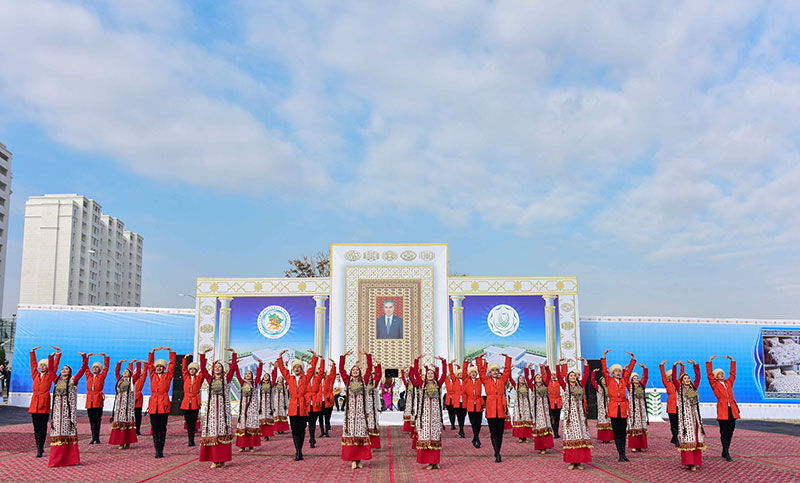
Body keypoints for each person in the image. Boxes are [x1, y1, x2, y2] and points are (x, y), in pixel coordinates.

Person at [277, 348, 318, 461]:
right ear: (293, 369)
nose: (297, 369)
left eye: (299, 367)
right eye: (295, 367)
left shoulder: (305, 378)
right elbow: (282, 369)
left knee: (302, 430)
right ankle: (298, 452)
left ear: (301, 369)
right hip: (293, 408)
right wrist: (280, 357)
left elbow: (312, 369)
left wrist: (314, 356)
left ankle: (300, 450)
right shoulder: (289, 378)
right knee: (294, 431)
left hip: (303, 408)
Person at [49, 352, 88, 467]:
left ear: (70, 372)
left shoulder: (73, 380)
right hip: (57, 413)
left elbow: (83, 368)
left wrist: (84, 357)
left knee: (68, 434)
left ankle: (70, 460)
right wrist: (51, 357)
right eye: (62, 369)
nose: (64, 370)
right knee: (57, 434)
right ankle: (56, 460)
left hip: (68, 413)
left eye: (66, 369)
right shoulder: (56, 380)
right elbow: (51, 370)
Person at [199, 348, 236, 468]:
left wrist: (233, 353)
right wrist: (203, 354)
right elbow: (203, 369)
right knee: (213, 433)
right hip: (212, 412)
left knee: (223, 433)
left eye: (220, 367)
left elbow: (233, 367)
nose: (217, 368)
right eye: (216, 366)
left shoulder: (227, 378)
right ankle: (214, 460)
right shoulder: (210, 379)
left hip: (223, 412)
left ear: (223, 370)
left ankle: (222, 459)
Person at [410, 355, 447, 470]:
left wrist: (443, 362)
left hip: (435, 416)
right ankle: (429, 462)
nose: (430, 375)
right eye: (428, 374)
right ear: (425, 376)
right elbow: (415, 374)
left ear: (434, 375)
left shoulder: (438, 384)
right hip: (425, 416)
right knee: (426, 438)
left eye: (432, 373)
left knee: (435, 438)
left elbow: (444, 375)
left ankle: (435, 462)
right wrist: (416, 360)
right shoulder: (422, 385)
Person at [339, 350, 373, 469]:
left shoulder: (364, 382)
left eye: (357, 370)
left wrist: (368, 356)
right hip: (350, 415)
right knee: (351, 436)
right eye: (353, 370)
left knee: (360, 436)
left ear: (359, 372)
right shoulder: (347, 381)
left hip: (361, 414)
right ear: (351, 372)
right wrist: (343, 357)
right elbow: (341, 370)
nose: (355, 371)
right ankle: (353, 460)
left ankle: (359, 460)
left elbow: (369, 369)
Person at [556, 358, 592, 470]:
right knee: (571, 437)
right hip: (570, 417)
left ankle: (580, 461)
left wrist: (585, 363)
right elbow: (558, 376)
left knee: (581, 436)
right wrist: (559, 363)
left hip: (580, 415)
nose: (573, 377)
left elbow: (586, 375)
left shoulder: (581, 385)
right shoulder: (565, 386)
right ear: (568, 378)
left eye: (574, 375)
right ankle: (572, 461)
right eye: (571, 376)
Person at [601, 349, 636, 462]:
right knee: (617, 432)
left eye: (619, 371)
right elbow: (604, 370)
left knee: (623, 432)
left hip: (623, 408)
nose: (618, 372)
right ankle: (620, 454)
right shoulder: (609, 380)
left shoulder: (623, 380)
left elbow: (629, 371)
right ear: (612, 373)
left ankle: (624, 453)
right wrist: (604, 357)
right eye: (615, 371)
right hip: (614, 408)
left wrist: (632, 359)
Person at [479, 353, 512, 463]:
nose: (494, 372)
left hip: (501, 409)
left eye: (496, 370)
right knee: (493, 432)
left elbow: (507, 371)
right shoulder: (486, 380)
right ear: (490, 372)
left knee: (500, 432)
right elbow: (481, 371)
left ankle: (498, 450)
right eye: (492, 370)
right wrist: (479, 359)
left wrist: (507, 359)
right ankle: (497, 453)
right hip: (491, 408)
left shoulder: (502, 380)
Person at [673, 361, 705, 471]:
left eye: (688, 378)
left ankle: (695, 462)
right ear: (681, 381)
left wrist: (695, 365)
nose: (687, 380)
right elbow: (673, 378)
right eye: (685, 378)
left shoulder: (693, 387)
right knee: (688, 438)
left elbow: (698, 376)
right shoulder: (679, 389)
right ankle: (689, 462)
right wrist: (675, 366)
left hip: (695, 416)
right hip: (686, 417)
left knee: (696, 437)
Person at [707, 355, 739, 462]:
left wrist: (732, 361)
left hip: (732, 409)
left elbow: (733, 374)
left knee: (731, 431)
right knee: (724, 431)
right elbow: (709, 375)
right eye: (719, 374)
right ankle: (726, 451)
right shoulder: (714, 384)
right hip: (722, 410)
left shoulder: (728, 382)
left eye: (723, 373)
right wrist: (710, 362)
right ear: (716, 376)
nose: (722, 374)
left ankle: (726, 450)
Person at [29, 346, 59, 458]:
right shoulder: (35, 375)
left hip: (44, 403)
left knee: (43, 426)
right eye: (40, 365)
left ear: (47, 367)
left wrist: (57, 354)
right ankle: (39, 447)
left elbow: (54, 367)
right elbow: (32, 365)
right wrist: (32, 352)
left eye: (44, 365)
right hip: (34, 404)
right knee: (36, 426)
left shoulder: (49, 375)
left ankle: (41, 447)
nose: (42, 367)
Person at [147, 346, 176, 459]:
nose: (159, 368)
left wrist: (170, 351)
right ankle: (156, 449)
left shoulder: (168, 375)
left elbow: (173, 364)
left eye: (161, 366)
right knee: (154, 427)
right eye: (157, 366)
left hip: (163, 402)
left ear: (164, 368)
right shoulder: (152, 375)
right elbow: (149, 364)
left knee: (162, 427)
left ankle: (161, 449)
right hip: (154, 403)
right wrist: (152, 352)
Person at [234, 357, 263, 452]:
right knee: (243, 425)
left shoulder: (254, 383)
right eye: (246, 374)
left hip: (252, 408)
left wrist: (260, 364)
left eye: (249, 373)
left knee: (251, 426)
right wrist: (236, 364)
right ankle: (242, 446)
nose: (247, 375)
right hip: (243, 408)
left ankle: (251, 446)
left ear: (252, 375)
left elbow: (259, 374)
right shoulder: (242, 383)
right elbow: (237, 374)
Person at [108, 359, 138, 449]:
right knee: (120, 423)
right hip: (119, 406)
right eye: (124, 371)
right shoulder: (120, 380)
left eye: (127, 371)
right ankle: (121, 442)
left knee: (127, 423)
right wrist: (119, 363)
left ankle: (127, 441)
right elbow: (117, 372)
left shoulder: (132, 381)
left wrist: (138, 363)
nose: (125, 372)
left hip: (128, 407)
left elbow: (138, 372)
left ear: (130, 374)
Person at [526, 364, 554, 454]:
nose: (539, 378)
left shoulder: (545, 385)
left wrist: (545, 367)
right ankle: (541, 447)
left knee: (547, 426)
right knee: (539, 427)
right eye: (537, 377)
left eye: (540, 377)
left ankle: (547, 445)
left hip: (545, 410)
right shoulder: (532, 387)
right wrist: (528, 369)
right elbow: (527, 378)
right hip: (537, 411)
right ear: (534, 379)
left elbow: (549, 376)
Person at [85, 352, 110, 445]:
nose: (95, 369)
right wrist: (86, 357)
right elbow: (85, 367)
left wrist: (105, 357)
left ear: (99, 369)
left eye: (97, 367)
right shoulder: (89, 375)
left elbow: (107, 367)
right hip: (89, 400)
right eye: (94, 367)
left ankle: (97, 437)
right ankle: (93, 437)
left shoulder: (102, 376)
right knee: (91, 419)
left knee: (97, 419)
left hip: (98, 400)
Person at [180, 354, 203, 447]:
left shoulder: (199, 378)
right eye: (191, 369)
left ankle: (192, 439)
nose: (192, 371)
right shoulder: (186, 377)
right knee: (188, 421)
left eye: (194, 369)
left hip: (194, 401)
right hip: (186, 401)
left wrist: (203, 356)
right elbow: (183, 369)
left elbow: (204, 370)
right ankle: (189, 439)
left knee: (193, 421)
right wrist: (185, 358)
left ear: (196, 370)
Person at [461, 357, 484, 448]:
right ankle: (476, 438)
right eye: (471, 372)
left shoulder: (479, 380)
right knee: (473, 422)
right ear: (469, 374)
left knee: (479, 423)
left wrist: (481, 361)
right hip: (470, 404)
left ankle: (475, 437)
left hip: (478, 403)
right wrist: (466, 362)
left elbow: (483, 372)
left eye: (474, 372)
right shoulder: (466, 380)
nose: (473, 374)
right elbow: (463, 372)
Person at [627, 364, 649, 453]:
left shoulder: (642, 386)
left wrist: (644, 368)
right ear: (632, 379)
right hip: (633, 410)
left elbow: (645, 377)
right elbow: (625, 378)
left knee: (642, 427)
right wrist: (626, 369)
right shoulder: (630, 386)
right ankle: (634, 446)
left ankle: (640, 445)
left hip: (641, 410)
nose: (636, 379)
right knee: (634, 426)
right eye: (634, 378)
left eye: (637, 378)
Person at [307, 355, 326, 447]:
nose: (312, 372)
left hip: (314, 404)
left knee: (312, 423)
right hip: (305, 404)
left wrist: (322, 360)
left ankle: (312, 438)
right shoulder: (304, 380)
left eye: (313, 371)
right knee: (305, 423)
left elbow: (321, 372)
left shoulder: (317, 379)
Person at [590, 369, 613, 443]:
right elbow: (592, 381)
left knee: (609, 421)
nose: (604, 381)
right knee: (603, 421)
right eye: (603, 380)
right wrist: (593, 372)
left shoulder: (610, 388)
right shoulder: (598, 388)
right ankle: (603, 438)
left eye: (605, 380)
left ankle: (609, 438)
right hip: (602, 407)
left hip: (609, 406)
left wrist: (607, 372)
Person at [510, 373, 533, 443]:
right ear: (518, 380)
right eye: (520, 378)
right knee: (520, 420)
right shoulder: (516, 386)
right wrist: (510, 370)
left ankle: (525, 437)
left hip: (526, 405)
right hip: (519, 406)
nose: (522, 380)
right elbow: (510, 379)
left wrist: (531, 370)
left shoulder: (527, 386)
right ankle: (520, 437)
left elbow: (531, 379)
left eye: (523, 379)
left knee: (526, 421)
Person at [366, 356, 382, 449]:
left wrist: (378, 365)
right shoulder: (362, 384)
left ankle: (373, 445)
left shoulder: (374, 384)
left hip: (372, 408)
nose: (370, 377)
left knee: (372, 425)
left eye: (372, 375)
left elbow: (379, 375)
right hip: (363, 408)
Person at [448, 361, 466, 437]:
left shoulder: (466, 380)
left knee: (463, 416)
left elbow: (465, 370)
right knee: (459, 416)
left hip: (464, 402)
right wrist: (450, 364)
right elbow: (451, 373)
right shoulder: (455, 380)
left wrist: (467, 363)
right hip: (457, 402)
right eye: (459, 374)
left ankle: (461, 428)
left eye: (462, 374)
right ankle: (461, 430)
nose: (460, 375)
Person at [548, 363, 565, 439]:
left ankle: (557, 432)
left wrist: (564, 365)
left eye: (554, 375)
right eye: (552, 375)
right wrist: (544, 367)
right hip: (551, 403)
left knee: (557, 418)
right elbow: (545, 375)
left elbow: (563, 375)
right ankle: (554, 432)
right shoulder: (548, 382)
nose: (553, 376)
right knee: (552, 418)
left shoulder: (558, 382)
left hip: (558, 403)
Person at [320, 359, 337, 437]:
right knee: (320, 418)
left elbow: (333, 374)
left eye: (324, 373)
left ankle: (326, 431)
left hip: (328, 401)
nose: (322, 374)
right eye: (321, 373)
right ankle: (321, 431)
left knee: (327, 418)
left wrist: (333, 365)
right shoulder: (317, 381)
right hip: (319, 402)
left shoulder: (329, 380)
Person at [259, 365, 276, 441]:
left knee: (268, 421)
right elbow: (258, 375)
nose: (266, 377)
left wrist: (275, 368)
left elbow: (274, 376)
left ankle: (267, 435)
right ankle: (263, 434)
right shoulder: (260, 384)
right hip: (261, 405)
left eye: (267, 376)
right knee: (262, 421)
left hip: (269, 405)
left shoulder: (271, 384)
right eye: (264, 376)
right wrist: (260, 365)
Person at [132, 360, 148, 435]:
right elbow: (130, 371)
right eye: (135, 372)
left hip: (138, 399)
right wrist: (131, 364)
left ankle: (137, 429)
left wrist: (145, 364)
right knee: (131, 416)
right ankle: (131, 429)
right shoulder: (131, 380)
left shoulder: (141, 380)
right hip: (131, 398)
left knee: (138, 415)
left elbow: (145, 373)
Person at [401, 367, 415, 434]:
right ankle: (407, 428)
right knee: (408, 414)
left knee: (413, 414)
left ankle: (412, 429)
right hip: (408, 401)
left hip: (414, 401)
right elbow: (403, 378)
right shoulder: (407, 385)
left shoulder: (416, 385)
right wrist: (402, 370)